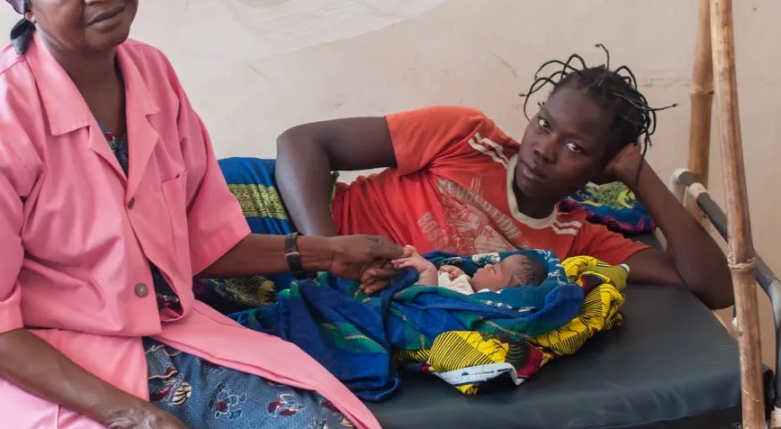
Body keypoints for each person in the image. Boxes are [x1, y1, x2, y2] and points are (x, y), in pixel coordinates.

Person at [0, 0, 402, 429]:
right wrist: (137, 418)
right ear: (27, 5)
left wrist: (326, 253)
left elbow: (202, 244)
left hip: (146, 340)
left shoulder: (152, 76)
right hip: (22, 367)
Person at [274, 49, 734, 310]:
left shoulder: (576, 242)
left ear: (603, 168)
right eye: (545, 123)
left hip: (315, 281)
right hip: (286, 212)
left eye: (576, 149)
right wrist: (327, 254)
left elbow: (713, 287)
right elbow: (299, 144)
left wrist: (640, 176)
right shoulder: (464, 136)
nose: (544, 149)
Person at [392, 247, 548, 295]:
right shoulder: (469, 285)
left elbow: (432, 303)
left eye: (493, 270)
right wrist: (460, 275)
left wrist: (428, 271)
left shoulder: (469, 300)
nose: (487, 266)